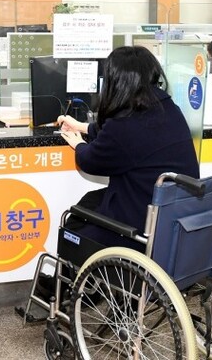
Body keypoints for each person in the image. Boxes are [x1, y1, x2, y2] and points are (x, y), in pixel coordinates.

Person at [57, 45, 200, 249]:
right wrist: (83, 127)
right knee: (90, 200)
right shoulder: (166, 107)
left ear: (116, 81)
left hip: (140, 225)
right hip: (172, 215)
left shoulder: (126, 123)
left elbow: (91, 161)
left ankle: (71, 267)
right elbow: (124, 139)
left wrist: (78, 144)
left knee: (73, 228)